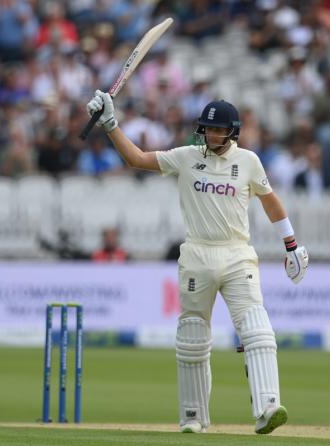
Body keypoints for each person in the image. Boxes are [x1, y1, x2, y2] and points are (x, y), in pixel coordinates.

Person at [86, 90, 309, 434]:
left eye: (216, 130)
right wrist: (110, 125)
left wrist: (291, 244)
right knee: (192, 336)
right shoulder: (187, 156)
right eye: (206, 129)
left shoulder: (249, 161)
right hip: (197, 254)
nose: (209, 135)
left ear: (232, 132)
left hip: (237, 254)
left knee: (257, 328)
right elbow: (138, 159)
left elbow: (270, 202)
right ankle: (193, 417)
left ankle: (267, 407)